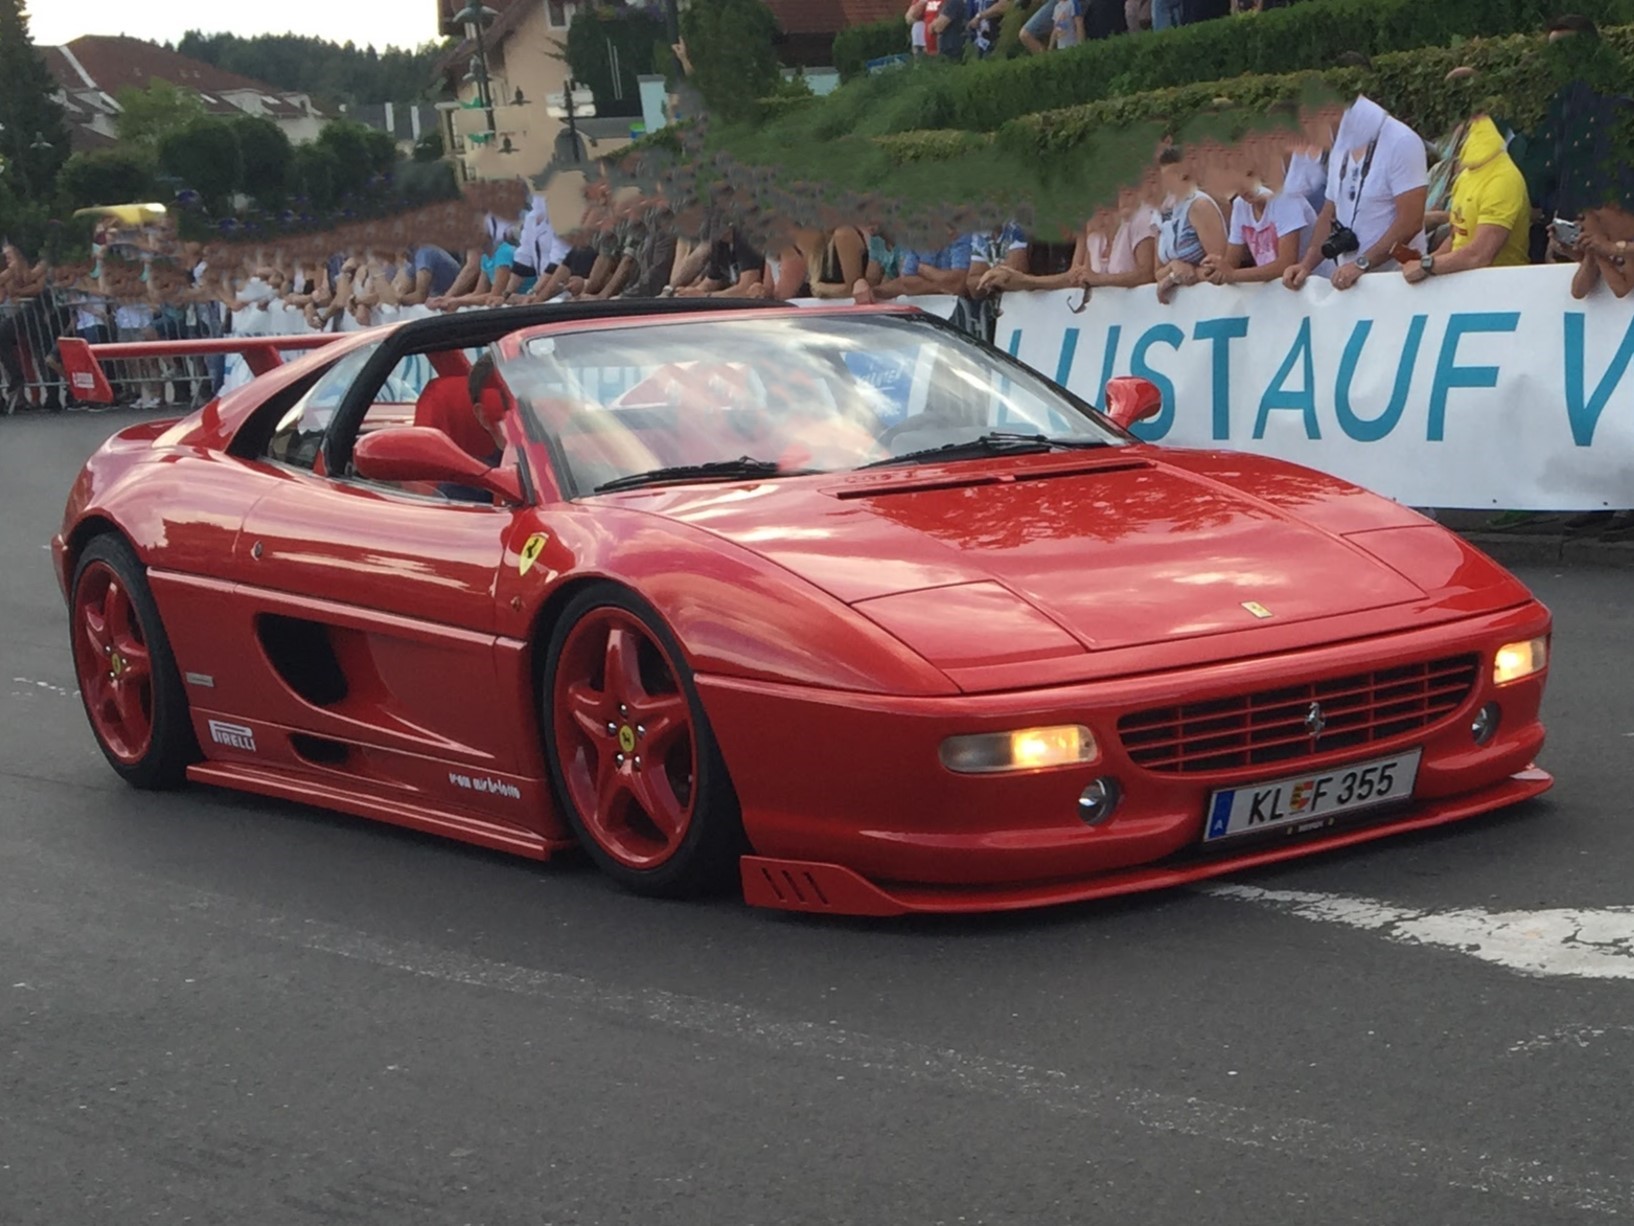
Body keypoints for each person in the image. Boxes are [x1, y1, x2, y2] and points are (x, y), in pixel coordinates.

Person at [1284, 94, 1428, 293]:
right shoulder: (1340, 146)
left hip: (1398, 283)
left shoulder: (1402, 141)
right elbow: (1329, 212)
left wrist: (1361, 264)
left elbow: (1410, 221)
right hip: (1352, 284)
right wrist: (1306, 265)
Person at [1403, 115, 1531, 285]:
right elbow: (1457, 236)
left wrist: (1427, 265)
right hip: (1463, 283)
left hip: (1501, 287)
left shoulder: (1503, 180)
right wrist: (1426, 261)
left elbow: (1480, 255)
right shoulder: (1466, 176)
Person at [1204, 159, 1316, 285]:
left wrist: (1233, 275)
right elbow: (1231, 263)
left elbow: (1286, 264)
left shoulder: (1286, 198)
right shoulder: (1240, 205)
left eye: (1250, 174)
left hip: (1313, 288)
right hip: (1277, 292)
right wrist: (1215, 266)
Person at [1153, 146, 1227, 302]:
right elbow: (1157, 272)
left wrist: (1178, 276)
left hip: (1213, 298)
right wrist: (1173, 266)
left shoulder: (1200, 206)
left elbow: (1220, 265)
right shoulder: (1161, 213)